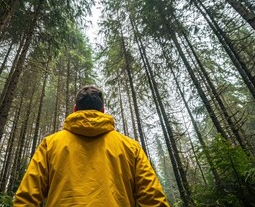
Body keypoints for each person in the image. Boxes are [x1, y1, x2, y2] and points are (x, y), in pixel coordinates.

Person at [13, 85, 169, 206]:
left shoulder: (50, 144)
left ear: (75, 110)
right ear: (102, 111)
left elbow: (26, 199)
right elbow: (153, 199)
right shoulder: (131, 147)